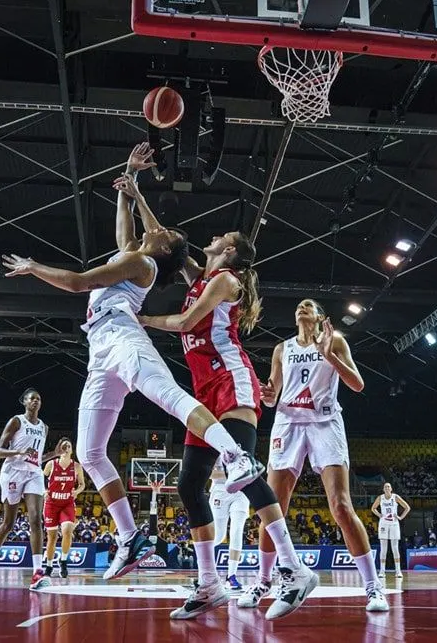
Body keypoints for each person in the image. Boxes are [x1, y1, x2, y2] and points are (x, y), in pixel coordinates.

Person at [2, 145, 263, 582]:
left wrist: (34, 266)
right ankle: (131, 538)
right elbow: (128, 228)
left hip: (124, 337)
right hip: (100, 349)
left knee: (171, 397)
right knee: (89, 452)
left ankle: (236, 456)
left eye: (162, 231)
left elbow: (77, 282)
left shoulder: (142, 262)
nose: (154, 228)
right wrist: (129, 180)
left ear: (161, 247)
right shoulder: (133, 255)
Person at [133, 173, 318, 620]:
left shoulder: (226, 281)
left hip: (231, 382)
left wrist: (141, 320)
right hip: (205, 391)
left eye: (222, 237)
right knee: (189, 484)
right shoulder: (202, 276)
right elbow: (166, 243)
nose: (214, 237)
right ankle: (209, 584)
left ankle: (295, 570)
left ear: (230, 251)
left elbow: (184, 323)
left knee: (243, 473)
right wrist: (135, 192)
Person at [240, 299, 389, 612]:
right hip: (288, 423)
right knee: (272, 508)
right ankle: (263, 581)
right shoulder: (282, 349)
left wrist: (329, 355)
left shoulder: (335, 341)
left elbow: (358, 384)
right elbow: (272, 396)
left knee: (341, 507)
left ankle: (374, 587)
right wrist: (268, 396)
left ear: (321, 316)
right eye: (298, 305)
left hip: (325, 423)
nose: (301, 307)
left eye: (309, 305)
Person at [0, 388, 53, 591]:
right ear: (24, 402)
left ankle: (37, 572)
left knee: (36, 519)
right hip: (12, 472)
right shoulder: (16, 421)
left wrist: (54, 454)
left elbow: (37, 457)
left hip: (34, 473)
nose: (36, 401)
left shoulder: (44, 427)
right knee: (8, 523)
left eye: (38, 398)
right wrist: (19, 451)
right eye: (32, 398)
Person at [42, 437, 86, 578]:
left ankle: (63, 561)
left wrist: (77, 491)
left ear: (72, 450)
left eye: (69, 446)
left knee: (67, 531)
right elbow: (40, 478)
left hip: (67, 503)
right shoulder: (51, 464)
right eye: (64, 446)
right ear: (60, 449)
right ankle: (49, 566)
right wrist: (44, 490)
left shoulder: (77, 466)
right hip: (52, 504)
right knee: (52, 537)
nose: (66, 449)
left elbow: (82, 485)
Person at [208, 459, 251, 591]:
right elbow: (210, 474)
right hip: (220, 491)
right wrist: (234, 473)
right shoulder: (215, 448)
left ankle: (231, 576)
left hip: (242, 492)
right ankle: (206, 571)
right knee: (218, 537)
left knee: (237, 531)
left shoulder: (244, 447)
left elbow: (250, 470)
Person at [371, 482, 410, 579]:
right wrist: (379, 515)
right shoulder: (380, 498)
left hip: (394, 524)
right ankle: (382, 571)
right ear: (383, 489)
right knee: (383, 548)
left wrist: (400, 517)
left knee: (395, 548)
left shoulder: (395, 497)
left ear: (391, 489)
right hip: (383, 524)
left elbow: (407, 507)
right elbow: (373, 508)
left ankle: (398, 571)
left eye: (388, 486)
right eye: (385, 487)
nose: (387, 488)